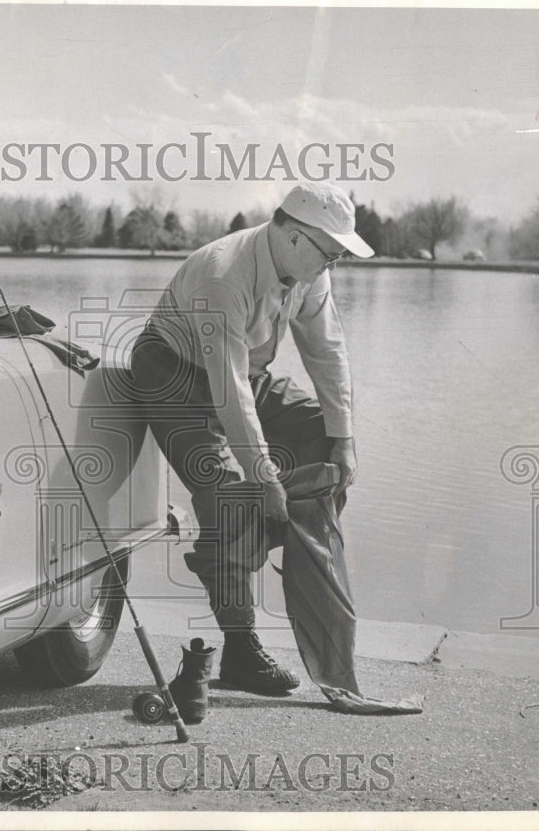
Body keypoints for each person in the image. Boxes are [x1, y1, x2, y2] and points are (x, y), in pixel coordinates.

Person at [130, 183, 373, 695]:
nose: (332, 266)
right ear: (292, 236)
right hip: (173, 372)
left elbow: (328, 354)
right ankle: (240, 647)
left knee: (321, 435)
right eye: (329, 254)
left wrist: (344, 439)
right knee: (225, 495)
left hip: (243, 370)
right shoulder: (225, 274)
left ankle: (277, 543)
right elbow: (229, 390)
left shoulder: (310, 272)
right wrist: (264, 479)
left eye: (337, 257)